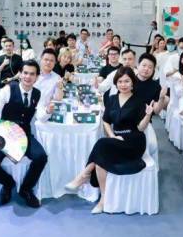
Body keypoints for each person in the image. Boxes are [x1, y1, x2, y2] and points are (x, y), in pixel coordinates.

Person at [65, 67, 155, 214]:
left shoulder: (139, 101)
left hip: (133, 142)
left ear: (133, 83)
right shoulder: (112, 99)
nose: (123, 84)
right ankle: (103, 199)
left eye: (127, 81)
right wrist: (112, 136)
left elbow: (140, 128)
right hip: (115, 139)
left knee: (102, 144)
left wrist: (147, 115)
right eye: (120, 81)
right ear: (116, 83)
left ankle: (84, 175)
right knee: (102, 155)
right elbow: (106, 121)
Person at [0, 61, 49, 208]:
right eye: (25, 73)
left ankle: (26, 189)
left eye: (32, 74)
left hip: (24, 135)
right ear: (20, 74)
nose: (28, 77)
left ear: (37, 77)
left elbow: (41, 116)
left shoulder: (37, 94)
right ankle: (8, 184)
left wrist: (48, 111)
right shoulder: (8, 90)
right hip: (4, 133)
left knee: (41, 157)